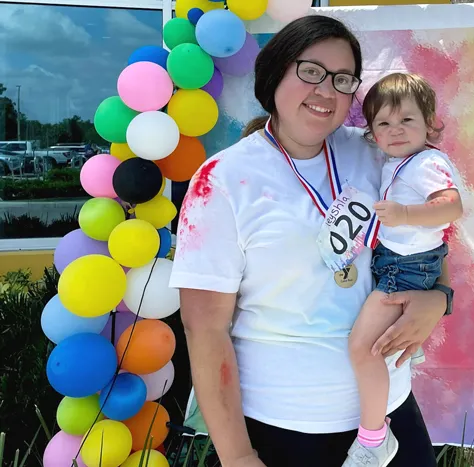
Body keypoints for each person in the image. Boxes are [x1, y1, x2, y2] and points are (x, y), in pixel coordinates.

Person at [170, 15, 455, 467]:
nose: (327, 90)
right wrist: (239, 456)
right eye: (311, 71)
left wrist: (439, 295)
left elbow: (430, 234)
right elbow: (204, 329)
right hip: (284, 429)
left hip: (388, 418)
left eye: (342, 79)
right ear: (276, 71)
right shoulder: (222, 180)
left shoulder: (378, 150)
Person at [343, 73, 463, 467]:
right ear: (372, 132)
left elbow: (451, 207)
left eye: (406, 121)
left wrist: (404, 214)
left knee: (363, 347)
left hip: (406, 271)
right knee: (375, 343)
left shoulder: (426, 162)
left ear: (429, 124)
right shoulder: (399, 162)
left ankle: (375, 439)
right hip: (397, 263)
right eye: (383, 123)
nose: (395, 131)